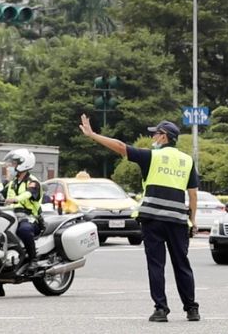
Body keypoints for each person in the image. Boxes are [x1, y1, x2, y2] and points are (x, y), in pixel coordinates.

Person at [79, 114, 201, 323]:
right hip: (178, 221)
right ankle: (192, 309)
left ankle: (161, 310)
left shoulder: (151, 156)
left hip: (153, 219)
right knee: (182, 264)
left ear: (164, 137)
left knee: (156, 265)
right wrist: (193, 220)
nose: (153, 137)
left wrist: (92, 135)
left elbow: (119, 146)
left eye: (155, 134)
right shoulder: (187, 160)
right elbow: (193, 194)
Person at [0, 148, 43, 298]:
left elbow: (29, 194)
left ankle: (33, 260)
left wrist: (14, 199)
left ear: (23, 165)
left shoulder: (33, 182)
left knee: (24, 230)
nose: (10, 166)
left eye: (14, 163)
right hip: (12, 216)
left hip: (30, 218)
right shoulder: (12, 183)